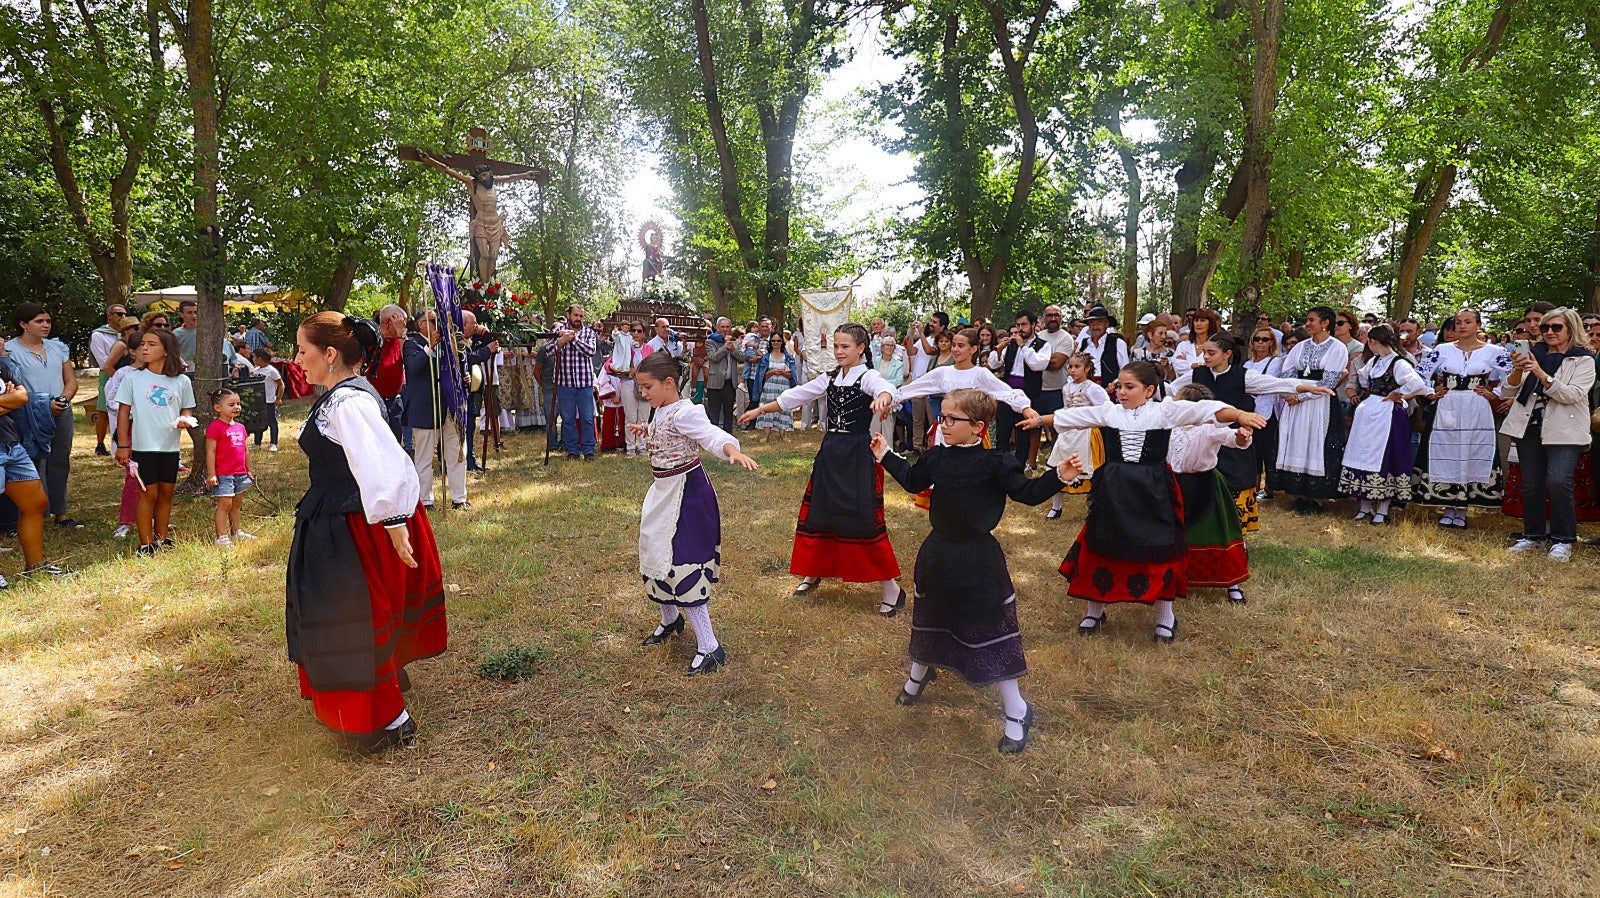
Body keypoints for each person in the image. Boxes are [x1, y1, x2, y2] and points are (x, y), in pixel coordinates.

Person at [873, 389, 1073, 754]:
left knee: (989, 628)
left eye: (951, 420)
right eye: (942, 417)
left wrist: (1058, 475)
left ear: (978, 427)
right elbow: (914, 481)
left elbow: (1027, 493)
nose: (943, 425)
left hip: (979, 559)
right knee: (931, 616)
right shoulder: (937, 457)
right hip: (937, 553)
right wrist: (886, 455)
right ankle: (920, 674)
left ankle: (1016, 710)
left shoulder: (996, 463)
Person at [285, 312, 446, 754]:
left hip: (351, 526)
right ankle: (379, 694)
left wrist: (394, 522)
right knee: (353, 617)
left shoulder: (347, 403)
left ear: (331, 354)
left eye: (303, 350)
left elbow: (382, 462)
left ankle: (387, 719)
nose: (296, 359)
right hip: (339, 520)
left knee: (352, 620)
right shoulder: (339, 396)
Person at [1028, 361, 1267, 643]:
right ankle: (1095, 610)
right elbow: (1076, 416)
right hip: (1115, 489)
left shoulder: (1164, 411)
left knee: (1159, 548)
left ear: (1149, 389)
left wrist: (1240, 415)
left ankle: (1166, 616)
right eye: (1119, 386)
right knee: (1100, 544)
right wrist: (1040, 420)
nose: (1122, 392)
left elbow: (1207, 410)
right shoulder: (1110, 412)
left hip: (1153, 489)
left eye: (1130, 387)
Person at [739, 323, 906, 615]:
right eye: (836, 346)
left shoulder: (868, 377)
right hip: (830, 452)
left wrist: (884, 397)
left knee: (862, 517)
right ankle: (813, 570)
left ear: (860, 349)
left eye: (845, 347)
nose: (839, 351)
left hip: (855, 454)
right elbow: (797, 395)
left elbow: (885, 387)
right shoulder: (829, 378)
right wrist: (760, 409)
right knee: (820, 512)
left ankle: (891, 588)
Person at [631, 351, 758, 675]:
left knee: (683, 563)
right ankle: (670, 620)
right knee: (655, 553)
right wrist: (644, 430)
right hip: (663, 492)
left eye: (647, 387)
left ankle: (710, 646)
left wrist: (731, 450)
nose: (643, 394)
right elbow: (663, 430)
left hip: (686, 495)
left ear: (669, 383)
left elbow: (710, 434)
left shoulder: (686, 412)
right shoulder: (661, 409)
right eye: (641, 388)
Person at [1169, 332, 1332, 531]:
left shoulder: (1242, 376)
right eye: (1204, 353)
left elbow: (1274, 384)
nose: (1206, 357)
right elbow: (1171, 389)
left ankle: (1235, 532)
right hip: (1203, 441)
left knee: (1235, 484)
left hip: (1235, 440)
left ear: (1227, 354)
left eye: (1211, 353)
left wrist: (1307, 388)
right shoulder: (1196, 374)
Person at [1503, 307, 1595, 561]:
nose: (1549, 332)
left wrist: (1541, 374)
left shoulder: (1583, 359)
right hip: (1529, 425)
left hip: (1565, 428)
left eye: (1556, 327)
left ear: (1571, 330)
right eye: (1545, 328)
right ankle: (1533, 536)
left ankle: (1563, 539)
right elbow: (1508, 391)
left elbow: (1573, 395)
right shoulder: (1535, 354)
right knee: (1531, 484)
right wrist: (1519, 370)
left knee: (1558, 481)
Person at [1413, 309, 1511, 527]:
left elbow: (1512, 378)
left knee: (1472, 450)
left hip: (1477, 407)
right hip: (1449, 404)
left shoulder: (1495, 351)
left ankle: (1464, 508)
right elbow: (1419, 373)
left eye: (1467, 322)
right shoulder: (1443, 349)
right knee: (1447, 450)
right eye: (1458, 322)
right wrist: (1431, 391)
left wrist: (1493, 394)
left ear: (1478, 325)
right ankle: (1448, 506)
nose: (1462, 326)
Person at [1167, 383, 1255, 604]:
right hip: (1172, 484)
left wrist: (1242, 437)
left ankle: (1232, 583)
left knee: (1217, 533)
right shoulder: (1170, 426)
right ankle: (1173, 575)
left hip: (1205, 484)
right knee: (1173, 532)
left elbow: (1232, 438)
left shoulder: (1209, 427)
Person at [113, 328, 196, 557]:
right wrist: (123, 444)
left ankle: (161, 538)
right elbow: (123, 412)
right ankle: (145, 544)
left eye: (151, 344)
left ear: (167, 351)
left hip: (170, 446)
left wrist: (185, 420)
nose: (144, 348)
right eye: (142, 345)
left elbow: (186, 408)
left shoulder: (181, 381)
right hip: (143, 446)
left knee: (166, 493)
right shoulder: (133, 378)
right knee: (147, 494)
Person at [1338, 325, 1430, 524]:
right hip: (1370, 412)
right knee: (1363, 454)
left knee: (1387, 456)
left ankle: (1383, 509)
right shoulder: (1375, 360)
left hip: (1388, 414)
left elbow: (1419, 385)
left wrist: (1399, 395)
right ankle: (1365, 506)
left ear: (1372, 341)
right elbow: (1364, 380)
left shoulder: (1399, 362)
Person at [6, 304, 82, 530]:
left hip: (61, 409)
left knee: (60, 460)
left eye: (48, 321)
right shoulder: (10, 350)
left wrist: (63, 401)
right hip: (28, 412)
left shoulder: (57, 347)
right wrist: (42, 405)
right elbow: (12, 386)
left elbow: (71, 380)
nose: (46, 325)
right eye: (40, 321)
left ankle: (61, 512)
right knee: (34, 460)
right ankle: (36, 514)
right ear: (23, 324)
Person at [1273, 307, 1350, 514]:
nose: (1307, 324)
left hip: (1319, 402)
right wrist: (1288, 392)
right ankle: (1297, 494)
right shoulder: (1300, 347)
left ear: (1325, 323)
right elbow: (1287, 372)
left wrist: (1302, 396)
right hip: (1295, 401)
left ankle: (1316, 498)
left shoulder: (1337, 347)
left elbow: (1330, 380)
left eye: (1311, 320)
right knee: (1296, 441)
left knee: (1315, 442)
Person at [0, 351, 64, 585]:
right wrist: (8, 401)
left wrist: (13, 399)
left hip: (10, 444)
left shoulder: (2, 364)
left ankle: (35, 566)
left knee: (35, 503)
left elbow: (22, 396)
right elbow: (13, 399)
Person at [403, 308, 469, 509]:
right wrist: (429, 348)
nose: (437, 325)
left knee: (456, 453)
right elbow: (413, 368)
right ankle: (425, 500)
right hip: (426, 409)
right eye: (433, 321)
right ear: (421, 324)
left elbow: (462, 362)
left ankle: (459, 498)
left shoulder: (447, 344)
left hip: (450, 407)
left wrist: (463, 375)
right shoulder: (411, 344)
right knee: (424, 458)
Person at [1045, 353, 1111, 520]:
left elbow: (1105, 409)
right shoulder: (1066, 387)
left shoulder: (1093, 388)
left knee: (1090, 469)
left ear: (1087, 369)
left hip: (1085, 433)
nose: (1072, 370)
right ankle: (1056, 506)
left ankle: (1095, 506)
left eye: (1077, 367)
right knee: (1060, 466)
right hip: (1068, 432)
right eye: (1070, 367)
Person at [994, 311, 1051, 461]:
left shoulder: (1043, 345)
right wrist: (999, 351)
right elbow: (994, 364)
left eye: (1024, 324)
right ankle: (1001, 464)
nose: (1020, 328)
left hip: (1028, 393)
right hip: (1008, 393)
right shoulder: (1011, 344)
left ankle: (1019, 468)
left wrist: (1024, 347)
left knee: (1023, 434)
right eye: (1018, 325)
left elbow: (1037, 365)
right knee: (1002, 431)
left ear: (1033, 325)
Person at [204, 388, 256, 546]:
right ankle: (221, 536)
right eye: (231, 404)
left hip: (240, 473)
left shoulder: (240, 427)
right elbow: (210, 452)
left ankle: (236, 532)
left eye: (238, 404)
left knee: (236, 503)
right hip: (224, 474)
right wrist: (212, 474)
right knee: (225, 504)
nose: (237, 407)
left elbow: (245, 450)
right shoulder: (215, 427)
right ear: (218, 408)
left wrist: (249, 470)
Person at [1242, 325, 1286, 500]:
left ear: (1271, 343)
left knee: (1267, 450)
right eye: (1257, 339)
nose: (1260, 343)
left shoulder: (1275, 362)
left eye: (1265, 339)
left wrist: (1252, 386)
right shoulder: (1247, 363)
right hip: (1250, 410)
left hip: (1267, 411)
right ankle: (1253, 486)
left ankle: (1269, 488)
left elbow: (1267, 383)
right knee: (1252, 451)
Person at [550, 304, 599, 459]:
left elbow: (590, 351)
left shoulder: (588, 332)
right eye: (576, 315)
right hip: (565, 383)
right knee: (568, 418)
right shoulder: (557, 331)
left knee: (587, 417)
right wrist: (562, 340)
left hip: (584, 383)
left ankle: (589, 450)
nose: (578, 319)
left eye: (581, 316)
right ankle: (573, 450)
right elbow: (549, 351)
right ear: (568, 315)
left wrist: (574, 339)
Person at [89, 302, 127, 456]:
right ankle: (100, 444)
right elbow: (103, 360)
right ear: (109, 316)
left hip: (125, 374)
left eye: (124, 314)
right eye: (119, 314)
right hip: (109, 373)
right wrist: (116, 376)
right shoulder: (99, 334)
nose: (122, 317)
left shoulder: (126, 334)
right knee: (104, 409)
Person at [372, 305, 409, 441]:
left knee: (394, 442)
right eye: (401, 323)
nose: (404, 327)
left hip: (394, 402)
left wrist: (401, 334)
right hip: (373, 402)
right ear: (388, 322)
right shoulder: (370, 339)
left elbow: (409, 360)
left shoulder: (400, 340)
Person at [754, 332, 797, 441]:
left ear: (782, 342)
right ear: (770, 342)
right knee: (767, 408)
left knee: (784, 408)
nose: (776, 343)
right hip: (769, 387)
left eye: (778, 340)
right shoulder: (766, 357)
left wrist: (782, 373)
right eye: (773, 340)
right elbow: (761, 376)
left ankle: (783, 435)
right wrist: (772, 372)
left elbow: (792, 375)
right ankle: (766, 436)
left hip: (784, 387)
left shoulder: (788, 357)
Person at [1074, 304, 1129, 385]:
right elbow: (1075, 367)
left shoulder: (1117, 343)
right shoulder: (1083, 344)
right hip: (1085, 389)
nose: (1095, 327)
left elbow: (1125, 370)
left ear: (1106, 324)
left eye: (1099, 323)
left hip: (1109, 390)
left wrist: (1115, 383)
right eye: (1092, 323)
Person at [703, 317, 739, 431]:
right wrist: (725, 347)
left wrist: (732, 349)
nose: (725, 329)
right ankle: (714, 437)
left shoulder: (736, 342)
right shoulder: (710, 341)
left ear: (731, 328)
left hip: (730, 383)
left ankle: (728, 435)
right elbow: (714, 357)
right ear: (717, 328)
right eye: (722, 327)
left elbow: (742, 358)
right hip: (715, 382)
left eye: (727, 327)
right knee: (714, 413)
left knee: (728, 412)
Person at [250, 347, 284, 450]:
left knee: (272, 422)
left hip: (269, 401)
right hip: (258, 402)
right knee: (258, 422)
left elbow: (281, 384)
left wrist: (278, 398)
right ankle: (257, 443)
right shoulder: (256, 371)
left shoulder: (272, 371)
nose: (253, 359)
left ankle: (273, 443)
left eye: (254, 357)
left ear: (260, 359)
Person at [1172, 308, 1220, 378]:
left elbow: (1214, 368)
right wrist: (1195, 365)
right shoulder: (1183, 345)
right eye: (1196, 320)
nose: (1198, 324)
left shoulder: (1217, 346)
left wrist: (1187, 363)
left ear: (1210, 323)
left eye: (1202, 321)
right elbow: (1177, 366)